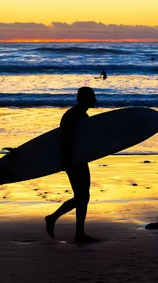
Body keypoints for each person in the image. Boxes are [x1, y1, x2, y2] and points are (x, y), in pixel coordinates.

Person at [45, 87, 99, 244]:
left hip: (78, 159)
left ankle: (79, 233)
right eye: (92, 97)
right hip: (73, 160)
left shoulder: (80, 114)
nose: (94, 99)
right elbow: (64, 140)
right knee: (82, 196)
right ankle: (53, 218)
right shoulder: (73, 115)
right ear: (84, 99)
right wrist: (66, 161)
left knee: (83, 196)